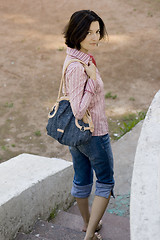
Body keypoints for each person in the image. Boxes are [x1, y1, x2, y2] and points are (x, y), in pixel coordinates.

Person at [63, 10, 115, 240]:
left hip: (77, 136)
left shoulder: (79, 56)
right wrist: (93, 81)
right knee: (105, 181)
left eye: (97, 31)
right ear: (76, 33)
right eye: (88, 32)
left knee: (82, 178)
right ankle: (90, 235)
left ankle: (87, 224)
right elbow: (78, 109)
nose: (95, 37)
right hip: (94, 134)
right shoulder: (78, 66)